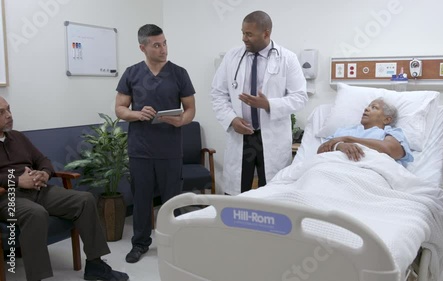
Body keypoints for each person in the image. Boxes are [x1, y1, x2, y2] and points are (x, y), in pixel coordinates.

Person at [0, 97, 129, 281]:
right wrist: (16, 180)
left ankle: (95, 265)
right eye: (1, 112)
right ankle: (37, 277)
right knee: (35, 213)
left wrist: (45, 173)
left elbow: (42, 159)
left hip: (38, 190)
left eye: (9, 109)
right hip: (8, 197)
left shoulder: (17, 137)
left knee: (84, 199)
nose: (9, 115)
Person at [115, 24, 196, 263]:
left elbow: (190, 109)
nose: (163, 49)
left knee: (172, 199)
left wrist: (180, 121)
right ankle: (140, 243)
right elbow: (120, 109)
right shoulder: (131, 73)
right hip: (140, 149)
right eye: (157, 45)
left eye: (165, 43)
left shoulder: (179, 73)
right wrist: (137, 114)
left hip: (170, 148)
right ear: (143, 47)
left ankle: (174, 242)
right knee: (141, 199)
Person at [211, 10, 308, 195]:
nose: (243, 38)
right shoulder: (232, 57)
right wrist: (232, 120)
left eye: (249, 34)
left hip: (272, 136)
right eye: (242, 32)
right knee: (237, 193)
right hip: (241, 134)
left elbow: (300, 97)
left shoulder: (287, 58)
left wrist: (268, 105)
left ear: (266, 33)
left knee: (272, 193)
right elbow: (218, 93)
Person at [317, 98, 414, 166]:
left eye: (374, 107)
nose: (366, 108)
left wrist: (348, 139)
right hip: (334, 169)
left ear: (387, 120)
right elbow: (320, 151)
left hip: (369, 173)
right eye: (368, 106)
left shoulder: (390, 132)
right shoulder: (345, 131)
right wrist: (339, 146)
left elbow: (390, 150)